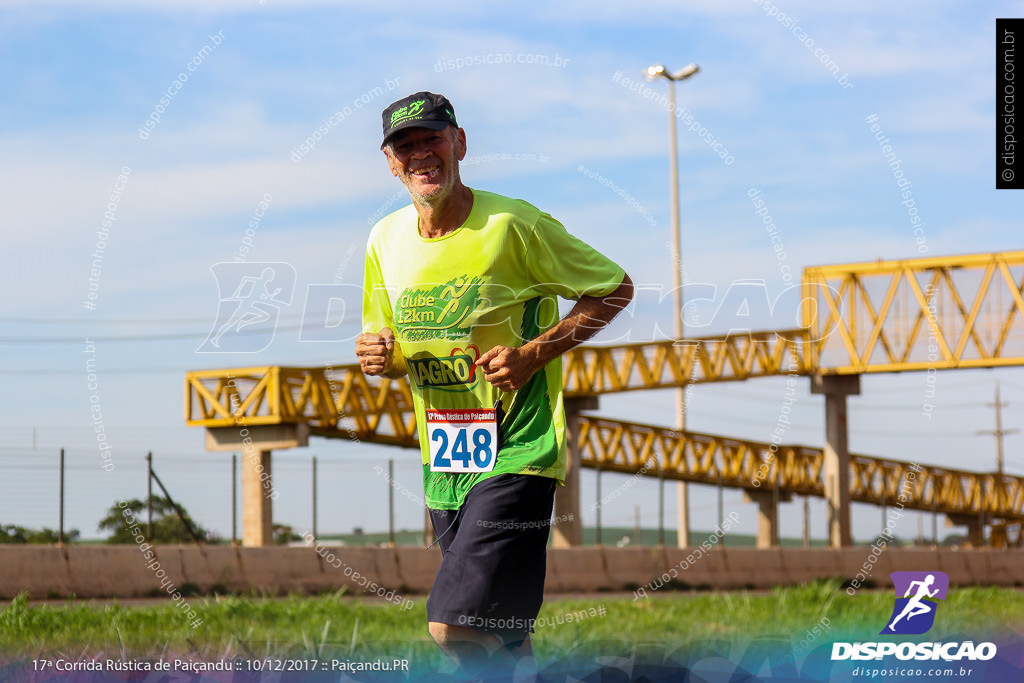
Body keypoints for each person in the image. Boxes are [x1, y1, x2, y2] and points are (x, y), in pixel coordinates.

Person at [356, 91, 633, 675]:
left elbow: (613, 287)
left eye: (431, 138)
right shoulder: (384, 240)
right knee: (504, 640)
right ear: (390, 162)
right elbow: (390, 340)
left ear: (459, 143)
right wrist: (380, 353)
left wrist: (535, 353)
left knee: (451, 627)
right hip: (447, 459)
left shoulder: (513, 224)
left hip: (518, 450)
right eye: (404, 146)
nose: (419, 155)